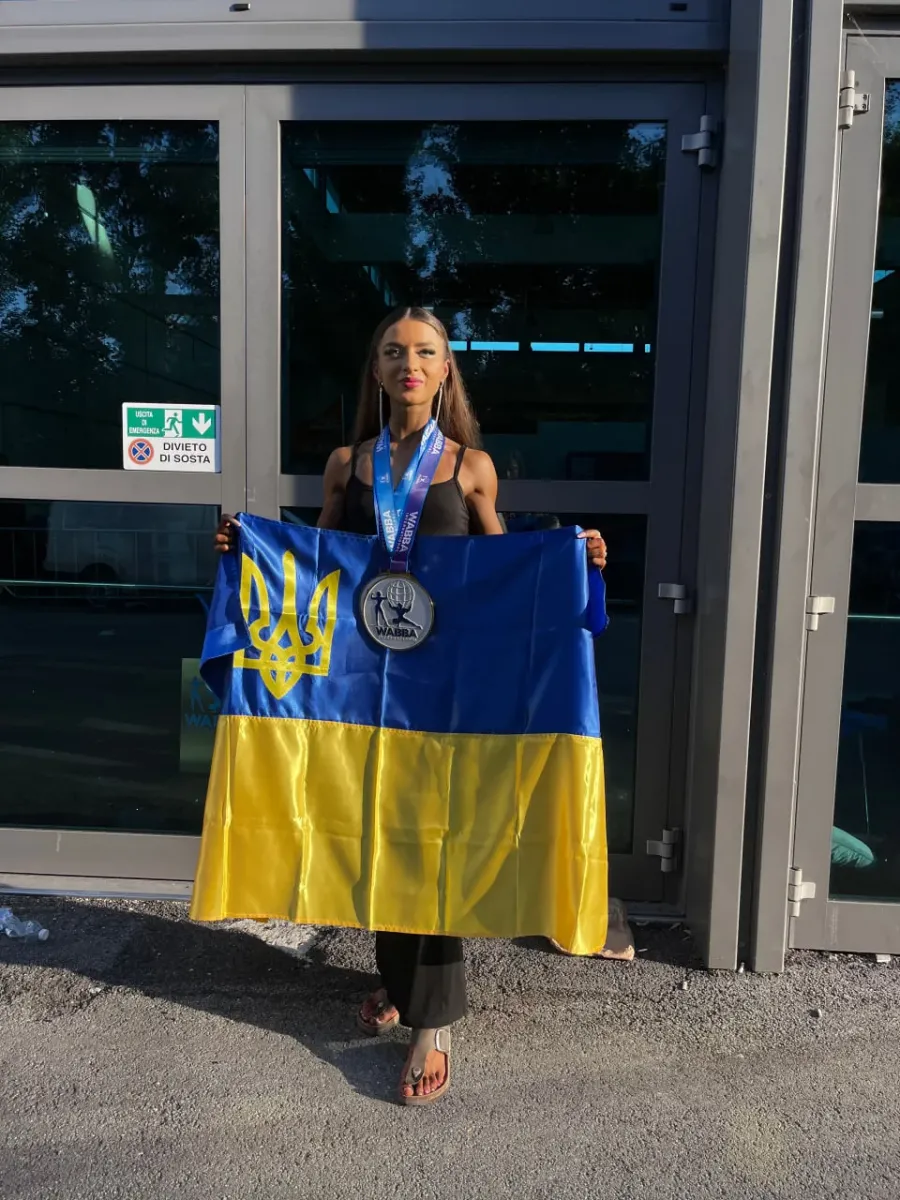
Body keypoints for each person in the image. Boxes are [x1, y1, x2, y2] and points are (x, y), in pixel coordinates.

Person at [215, 307, 607, 1104]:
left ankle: (433, 1022)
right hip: (366, 692)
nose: (410, 363)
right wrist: (247, 549)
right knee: (381, 838)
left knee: (434, 845)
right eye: (394, 351)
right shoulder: (346, 465)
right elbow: (314, 564)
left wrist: (577, 560)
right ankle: (399, 984)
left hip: (449, 698)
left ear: (445, 369)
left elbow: (509, 570)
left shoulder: (471, 467)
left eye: (426, 351)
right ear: (377, 370)